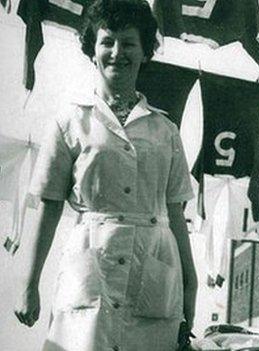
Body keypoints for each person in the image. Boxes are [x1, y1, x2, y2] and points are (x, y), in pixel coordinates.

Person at [13, 1, 198, 350]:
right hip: (89, 265)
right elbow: (49, 206)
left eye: (128, 43)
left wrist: (191, 284)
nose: (117, 52)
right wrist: (28, 281)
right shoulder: (70, 121)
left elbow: (176, 213)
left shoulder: (165, 130)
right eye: (107, 42)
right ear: (92, 50)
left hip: (154, 266)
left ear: (145, 51)